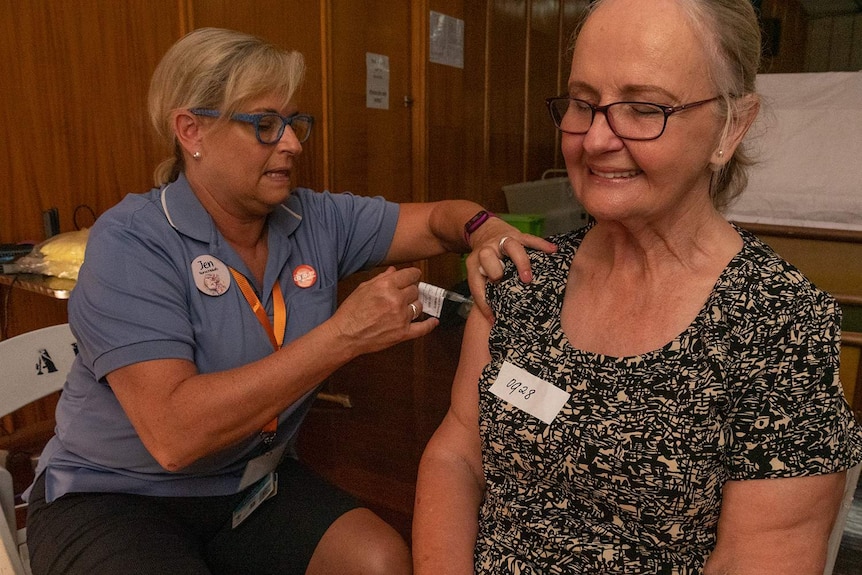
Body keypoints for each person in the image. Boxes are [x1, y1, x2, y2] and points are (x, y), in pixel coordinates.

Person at [23, 27, 554, 575]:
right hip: (118, 497)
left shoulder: (312, 218)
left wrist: (485, 228)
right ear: (191, 131)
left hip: (250, 482)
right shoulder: (131, 241)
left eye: (295, 124)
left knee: (381, 561)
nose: (293, 144)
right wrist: (343, 336)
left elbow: (440, 219)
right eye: (264, 125)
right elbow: (174, 436)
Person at [412, 0, 862, 573]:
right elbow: (458, 455)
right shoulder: (527, 275)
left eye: (644, 108)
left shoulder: (777, 322)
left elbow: (763, 556)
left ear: (732, 125)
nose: (596, 139)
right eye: (583, 103)